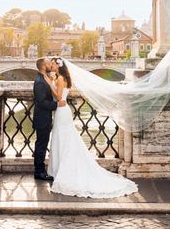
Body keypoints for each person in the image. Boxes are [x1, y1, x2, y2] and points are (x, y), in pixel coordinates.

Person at [42, 58, 138, 198]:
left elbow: (58, 96)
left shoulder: (61, 78)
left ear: (58, 66)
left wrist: (50, 83)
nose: (51, 65)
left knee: (63, 139)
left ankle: (63, 170)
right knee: (63, 139)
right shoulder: (61, 77)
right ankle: (59, 169)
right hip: (61, 111)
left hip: (62, 111)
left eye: (53, 63)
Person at [32, 57, 65, 180]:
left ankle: (40, 170)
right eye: (48, 63)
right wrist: (56, 105)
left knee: (42, 144)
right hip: (42, 119)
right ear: (42, 66)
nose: (50, 65)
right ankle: (39, 172)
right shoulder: (40, 81)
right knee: (41, 145)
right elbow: (41, 102)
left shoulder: (45, 78)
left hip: (45, 118)